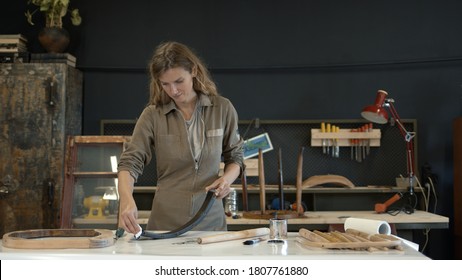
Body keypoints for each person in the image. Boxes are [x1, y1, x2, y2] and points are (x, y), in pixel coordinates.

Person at [117, 41, 244, 235]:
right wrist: (126, 200)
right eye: (165, 84)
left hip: (211, 224)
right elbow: (129, 162)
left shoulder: (223, 108)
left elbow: (235, 157)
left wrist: (226, 179)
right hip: (165, 223)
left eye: (178, 81)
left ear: (193, 70)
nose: (173, 91)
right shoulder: (152, 115)